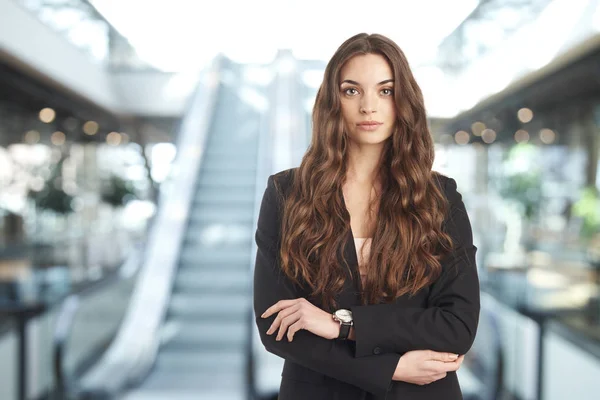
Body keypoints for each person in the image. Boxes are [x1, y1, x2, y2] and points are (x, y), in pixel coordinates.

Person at [253, 32, 480, 400]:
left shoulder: (440, 198)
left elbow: (457, 326)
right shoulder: (287, 194)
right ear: (332, 101)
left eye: (385, 91)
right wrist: (389, 368)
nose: (368, 107)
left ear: (402, 100)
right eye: (352, 91)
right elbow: (276, 327)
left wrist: (342, 325)